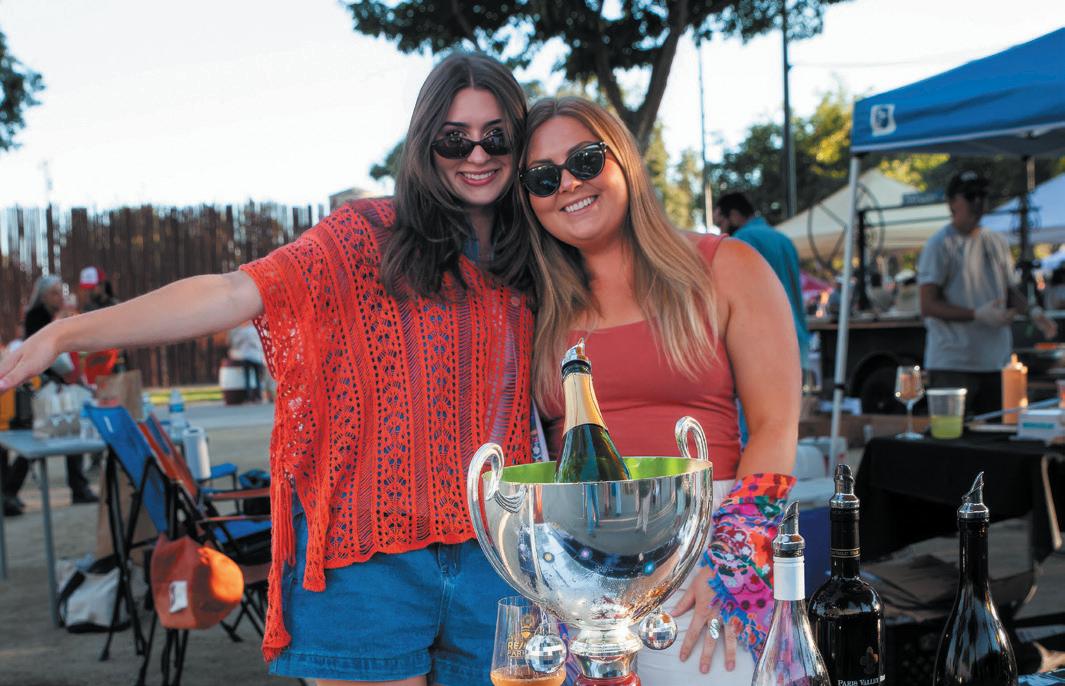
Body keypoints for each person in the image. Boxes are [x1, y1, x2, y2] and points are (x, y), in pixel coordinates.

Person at [0, 52, 534, 686]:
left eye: (496, 136)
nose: (477, 155)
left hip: (499, 567)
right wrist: (65, 333)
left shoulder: (538, 253)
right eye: (455, 138)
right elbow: (231, 291)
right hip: (368, 567)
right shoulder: (363, 236)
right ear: (426, 143)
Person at [520, 97, 799, 684]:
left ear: (623, 158)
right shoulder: (534, 305)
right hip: (572, 576)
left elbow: (776, 425)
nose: (567, 183)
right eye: (543, 177)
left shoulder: (728, 267)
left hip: (708, 552)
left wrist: (730, 563)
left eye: (585, 160)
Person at [918, 170, 1057, 416]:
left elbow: (1009, 290)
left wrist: (1034, 312)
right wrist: (976, 314)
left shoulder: (996, 241)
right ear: (952, 203)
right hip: (953, 363)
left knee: (994, 432)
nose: (978, 202)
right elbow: (928, 305)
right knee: (951, 434)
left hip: (995, 361)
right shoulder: (940, 244)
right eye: (970, 196)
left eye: (982, 196)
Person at [22, 275, 98, 505]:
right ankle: (9, 490)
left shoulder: (57, 315)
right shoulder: (37, 316)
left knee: (72, 430)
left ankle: (79, 487)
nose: (59, 297)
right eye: (54, 292)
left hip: (62, 383)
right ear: (44, 295)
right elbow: (47, 347)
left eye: (60, 291)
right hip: (47, 384)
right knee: (39, 436)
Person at [713, 192, 810, 371]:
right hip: (798, 343)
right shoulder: (784, 240)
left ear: (734, 216)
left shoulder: (740, 240)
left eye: (720, 224)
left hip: (764, 348)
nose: (720, 232)